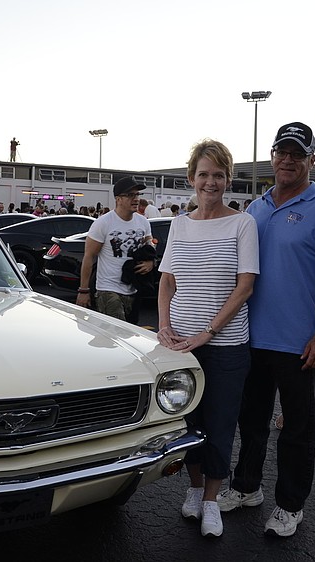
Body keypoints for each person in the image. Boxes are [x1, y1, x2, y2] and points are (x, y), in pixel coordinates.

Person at [217, 122, 315, 538]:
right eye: (282, 152)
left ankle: (290, 505)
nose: (288, 160)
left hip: (300, 344)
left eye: (297, 153)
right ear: (272, 157)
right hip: (251, 338)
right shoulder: (255, 209)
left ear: (312, 160)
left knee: (296, 430)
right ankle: (246, 487)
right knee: (252, 421)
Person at [156, 139, 258, 537]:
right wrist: (164, 325)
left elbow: (245, 286)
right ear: (191, 179)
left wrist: (208, 332)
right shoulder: (180, 225)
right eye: (203, 174)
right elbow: (167, 281)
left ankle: (214, 500)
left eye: (218, 174)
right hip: (181, 345)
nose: (210, 182)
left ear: (228, 179)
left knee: (220, 424)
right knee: (189, 424)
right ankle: (196, 490)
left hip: (226, 346)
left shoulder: (242, 223)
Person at [76, 177, 154, 322]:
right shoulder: (103, 223)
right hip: (108, 289)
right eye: (130, 195)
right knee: (116, 334)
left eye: (137, 195)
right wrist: (84, 290)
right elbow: (89, 256)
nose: (136, 199)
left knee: (129, 335)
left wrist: (150, 262)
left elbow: (149, 243)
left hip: (133, 288)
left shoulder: (142, 222)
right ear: (118, 199)